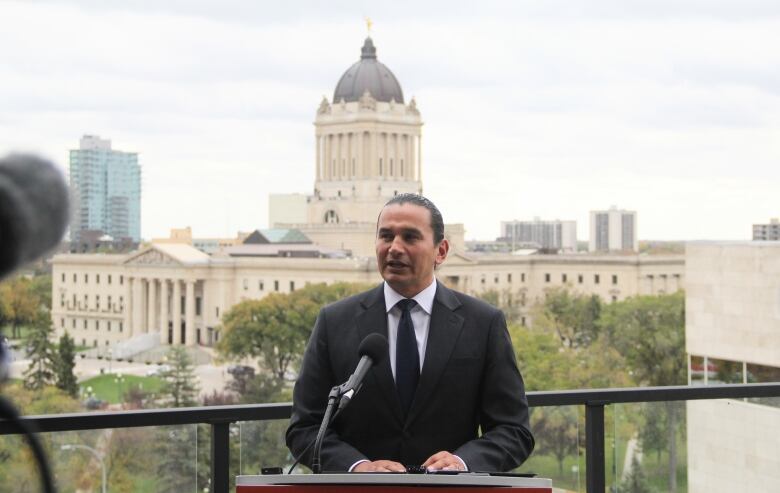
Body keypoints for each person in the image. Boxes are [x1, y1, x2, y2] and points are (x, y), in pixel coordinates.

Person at [286, 193, 534, 472]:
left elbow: (514, 431)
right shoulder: (334, 321)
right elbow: (305, 427)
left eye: (410, 237)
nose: (394, 248)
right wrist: (357, 467)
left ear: (441, 251)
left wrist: (464, 462)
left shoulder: (483, 323)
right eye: (386, 236)